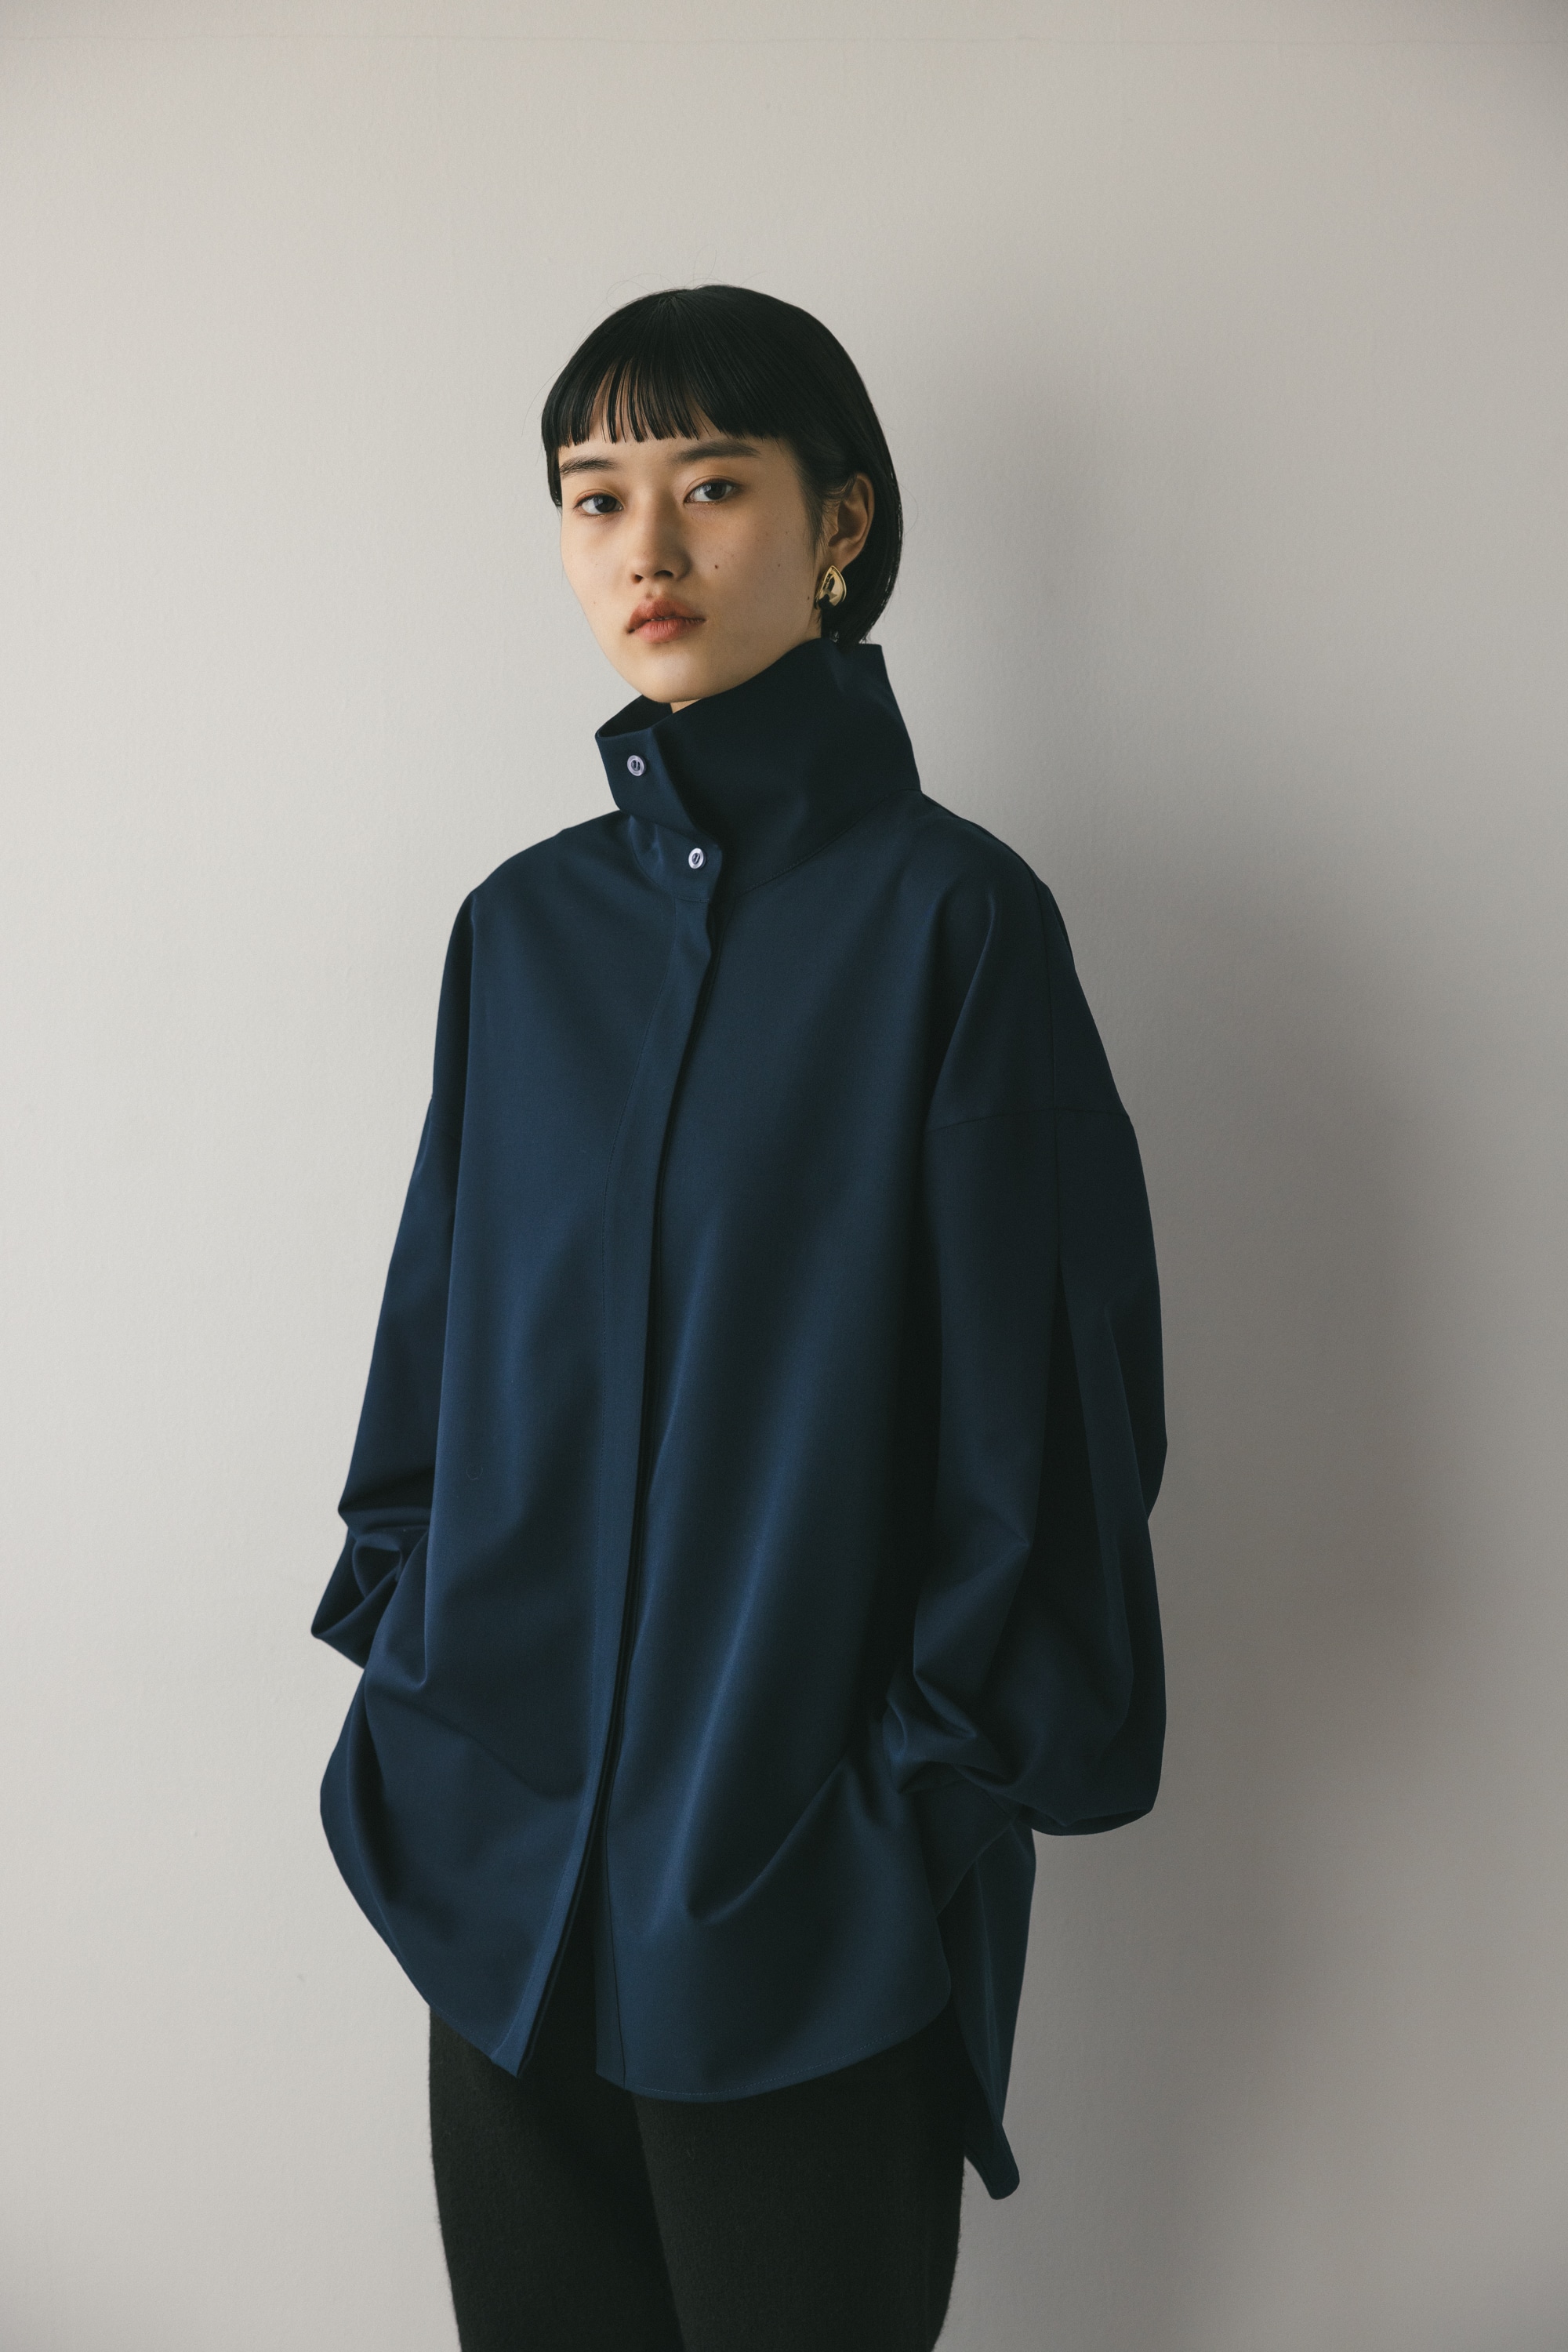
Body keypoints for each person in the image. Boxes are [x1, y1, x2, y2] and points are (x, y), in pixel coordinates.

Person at [312, 284, 1166, 2352]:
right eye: (594, 496)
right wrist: (422, 1670)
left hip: (807, 1907)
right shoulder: (522, 934)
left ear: (840, 523)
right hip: (503, 1888)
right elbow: (433, 1355)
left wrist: (904, 1798)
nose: (648, 548)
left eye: (711, 486)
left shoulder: (957, 924)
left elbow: (1053, 1425)